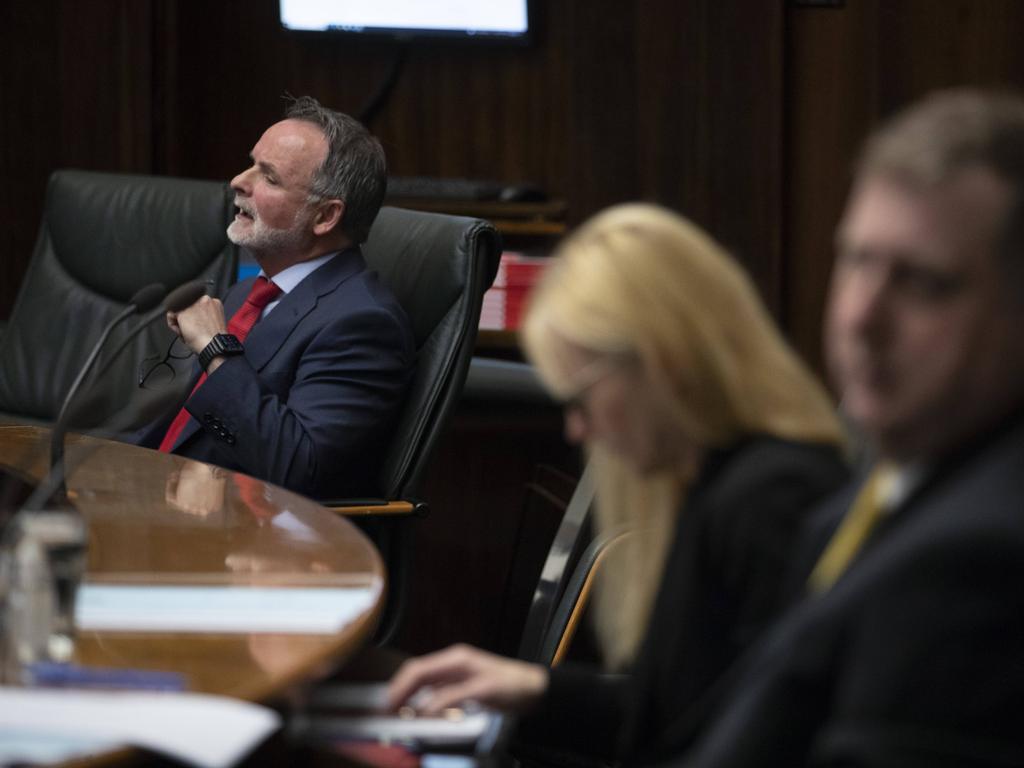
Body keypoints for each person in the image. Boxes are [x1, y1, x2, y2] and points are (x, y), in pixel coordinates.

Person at [387, 203, 849, 764]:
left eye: (580, 398)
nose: (576, 428)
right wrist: (530, 688)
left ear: (661, 361)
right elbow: (678, 709)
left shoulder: (771, 501)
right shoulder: (712, 483)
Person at [667, 89, 1024, 767]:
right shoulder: (881, 491)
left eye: (923, 283)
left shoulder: (978, 562)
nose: (861, 316)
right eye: (856, 260)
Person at [136, 96, 415, 499]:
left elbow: (298, 467)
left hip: (245, 543)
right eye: (251, 163)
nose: (238, 180)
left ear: (325, 216)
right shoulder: (247, 294)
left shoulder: (363, 323)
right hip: (161, 502)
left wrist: (216, 349)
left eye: (268, 177)